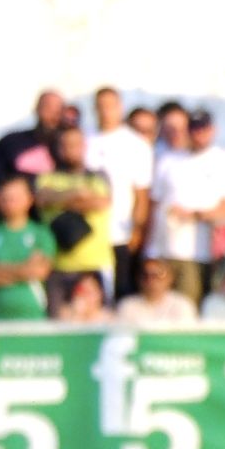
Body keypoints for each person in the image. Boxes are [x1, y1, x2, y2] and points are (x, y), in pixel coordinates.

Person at [146, 109, 225, 303]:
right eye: (194, 129)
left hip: (199, 251)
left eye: (204, 129)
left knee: (188, 303)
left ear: (213, 130)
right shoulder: (168, 160)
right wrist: (149, 249)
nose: (199, 134)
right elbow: (154, 206)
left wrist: (193, 215)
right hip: (164, 250)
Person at [34, 123, 115, 313]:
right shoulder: (46, 178)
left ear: (84, 145)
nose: (70, 149)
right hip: (58, 265)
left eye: (75, 144)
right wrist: (78, 194)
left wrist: (59, 200)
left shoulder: (98, 176)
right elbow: (42, 199)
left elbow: (100, 202)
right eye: (65, 145)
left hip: (94, 264)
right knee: (58, 321)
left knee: (98, 322)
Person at [85, 86, 154, 299]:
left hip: (120, 232)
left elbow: (141, 193)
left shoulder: (135, 144)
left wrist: (137, 230)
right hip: (87, 233)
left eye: (111, 106)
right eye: (101, 106)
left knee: (121, 290)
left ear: (120, 107)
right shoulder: (85, 140)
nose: (106, 111)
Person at [0, 176, 54, 320]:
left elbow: (38, 271)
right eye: (5, 197)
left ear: (30, 199)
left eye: (15, 197)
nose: (10, 202)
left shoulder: (40, 234)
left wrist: (0, 269)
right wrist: (23, 269)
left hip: (32, 313)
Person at [0, 89, 66, 186]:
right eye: (47, 108)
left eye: (58, 110)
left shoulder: (69, 145)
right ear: (37, 109)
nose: (53, 115)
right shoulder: (12, 142)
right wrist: (5, 186)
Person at [114, 255, 198, 325]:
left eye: (158, 275)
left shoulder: (182, 305)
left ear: (170, 278)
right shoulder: (127, 306)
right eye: (145, 275)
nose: (150, 280)